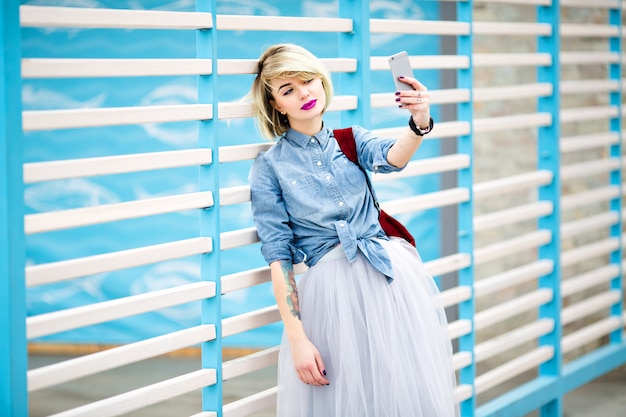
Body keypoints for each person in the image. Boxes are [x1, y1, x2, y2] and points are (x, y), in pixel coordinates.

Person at [248, 43, 458, 417]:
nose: (304, 93)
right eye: (288, 90)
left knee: (401, 390)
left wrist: (419, 122)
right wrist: (297, 341)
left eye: (308, 80)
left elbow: (392, 158)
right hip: (332, 297)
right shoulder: (270, 167)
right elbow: (278, 256)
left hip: (390, 280)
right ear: (277, 105)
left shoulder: (351, 139)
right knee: (346, 397)